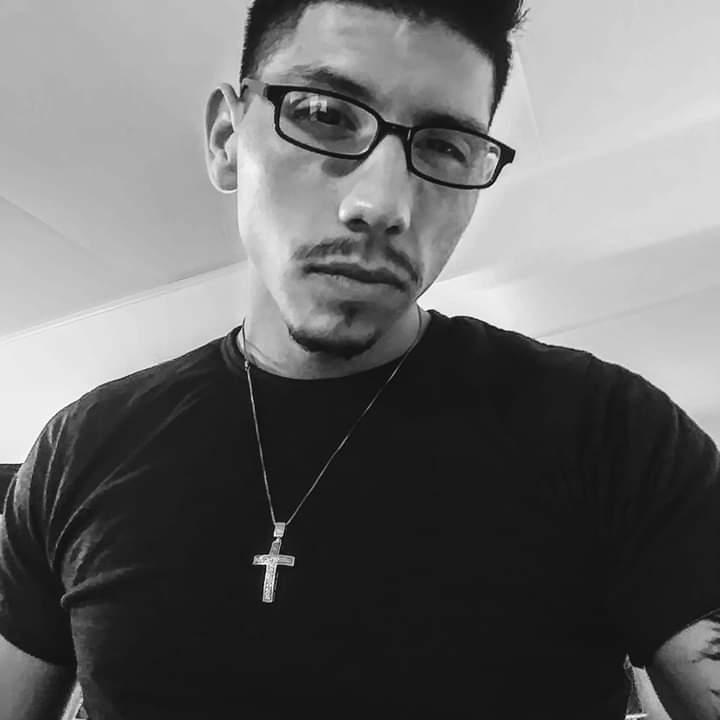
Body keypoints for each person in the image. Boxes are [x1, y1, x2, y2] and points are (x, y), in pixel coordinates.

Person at [1, 0, 719, 718]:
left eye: (445, 147)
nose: (381, 205)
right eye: (324, 114)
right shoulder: (81, 450)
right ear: (226, 138)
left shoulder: (611, 433)